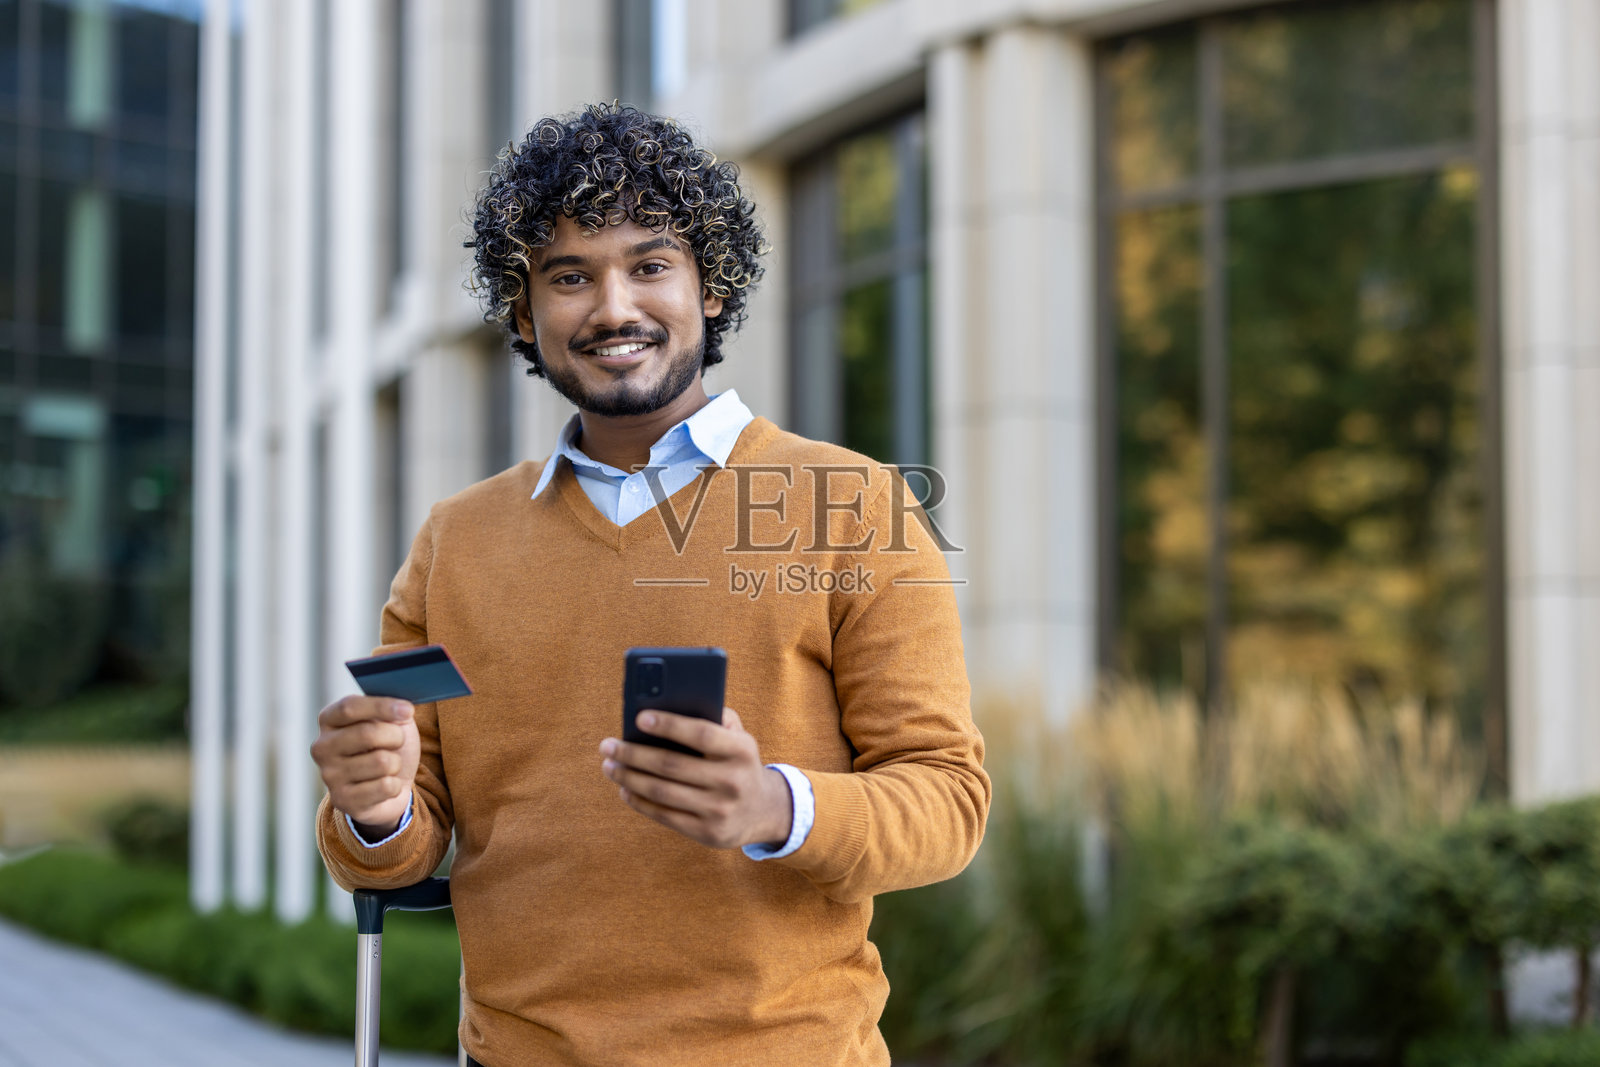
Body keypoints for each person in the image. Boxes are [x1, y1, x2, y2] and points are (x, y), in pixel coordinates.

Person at [311, 102, 989, 1067]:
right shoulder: (455, 541)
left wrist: (771, 805)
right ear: (524, 311)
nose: (613, 307)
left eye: (650, 264)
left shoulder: (855, 505)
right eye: (569, 276)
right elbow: (401, 845)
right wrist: (372, 806)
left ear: (710, 288)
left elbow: (948, 801)